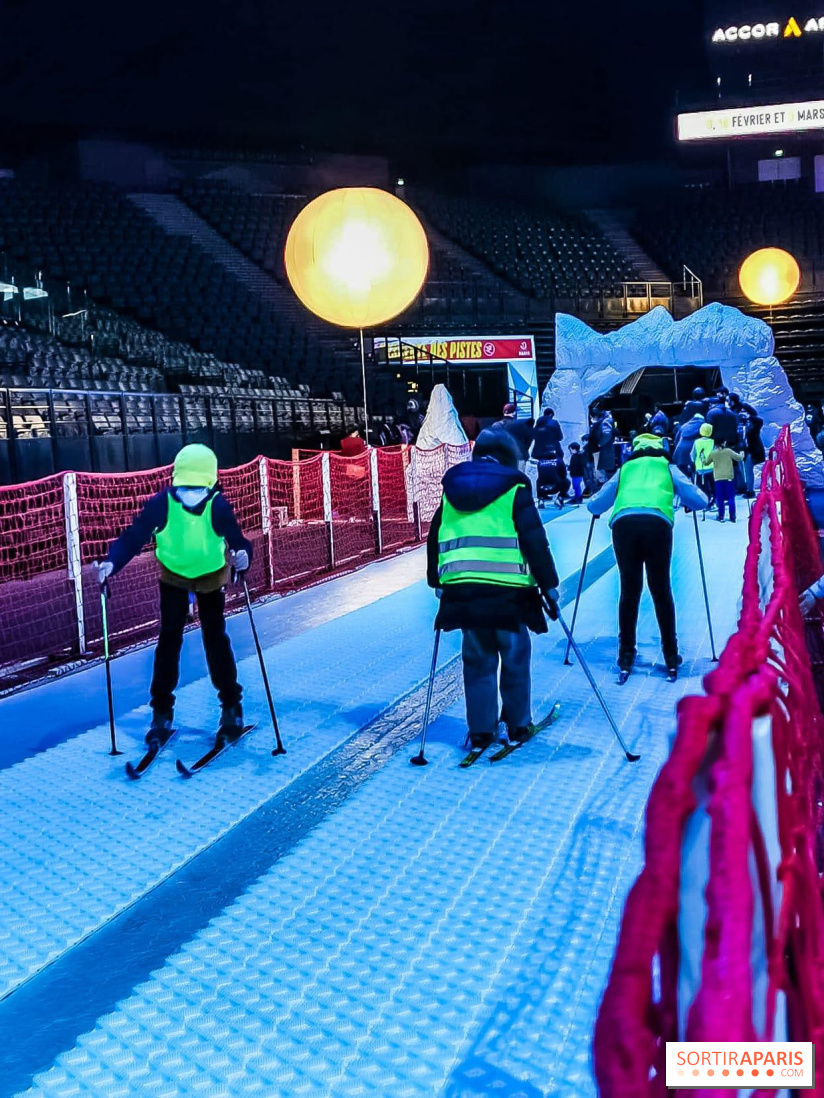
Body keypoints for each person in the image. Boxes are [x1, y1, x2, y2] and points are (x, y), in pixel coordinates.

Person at [95, 444, 252, 745]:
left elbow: (238, 540)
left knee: (212, 638)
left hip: (208, 575)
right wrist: (111, 563)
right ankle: (162, 712)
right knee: (172, 640)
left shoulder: (217, 505)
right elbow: (134, 536)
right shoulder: (162, 503)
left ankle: (231, 707)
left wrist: (243, 556)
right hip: (175, 577)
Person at [427, 427, 560, 750]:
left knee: (477, 661)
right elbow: (534, 540)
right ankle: (517, 726)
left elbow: (434, 538)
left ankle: (481, 732)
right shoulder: (515, 488)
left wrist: (437, 581)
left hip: (464, 591)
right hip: (509, 594)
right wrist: (549, 587)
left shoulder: (451, 490)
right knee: (514, 658)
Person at [587, 431, 709, 680]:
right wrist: (690, 503)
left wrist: (592, 505)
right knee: (661, 591)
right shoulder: (667, 466)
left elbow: (597, 504)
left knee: (629, 591)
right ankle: (671, 656)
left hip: (624, 526)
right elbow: (700, 500)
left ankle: (625, 656)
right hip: (657, 525)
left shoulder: (626, 469)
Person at [706, 438, 744, 522]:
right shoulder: (728, 451)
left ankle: (721, 516)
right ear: (724, 442)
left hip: (718, 479)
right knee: (731, 498)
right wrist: (742, 452)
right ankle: (732, 516)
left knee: (720, 499)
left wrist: (701, 456)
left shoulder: (713, 454)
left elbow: (706, 462)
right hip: (729, 478)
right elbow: (739, 458)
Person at [673, 412, 705, 478]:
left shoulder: (684, 425)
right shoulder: (703, 425)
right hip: (693, 449)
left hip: (680, 449)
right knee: (697, 471)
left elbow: (676, 440)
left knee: (682, 472)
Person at [691, 422, 715, 502]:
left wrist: (694, 462)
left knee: (703, 486)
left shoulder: (696, 442)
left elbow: (692, 454)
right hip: (712, 468)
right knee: (713, 485)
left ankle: (706, 500)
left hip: (700, 468)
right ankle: (714, 499)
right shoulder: (712, 442)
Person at [594, 408, 617, 483]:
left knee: (606, 474)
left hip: (605, 451)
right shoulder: (605, 421)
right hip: (606, 451)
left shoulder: (605, 422)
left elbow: (607, 434)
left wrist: (600, 444)